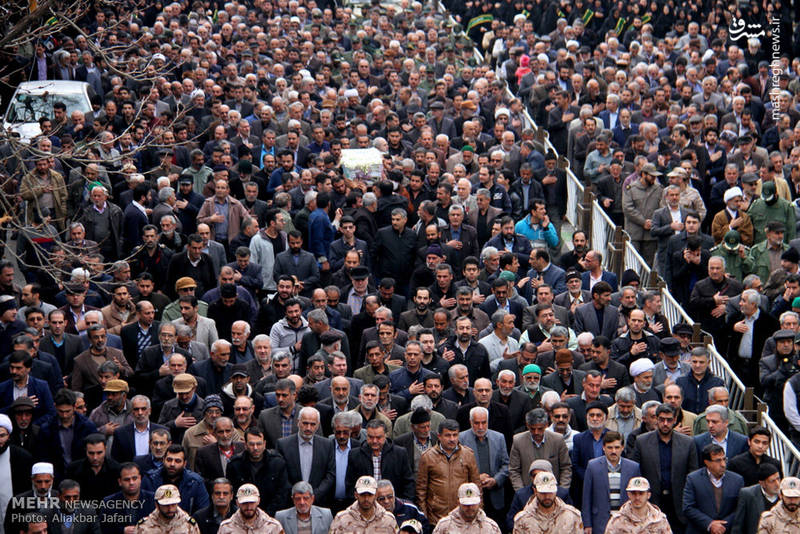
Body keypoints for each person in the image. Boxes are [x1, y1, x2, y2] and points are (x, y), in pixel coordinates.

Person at [632, 403, 699, 529]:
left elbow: (693, 474)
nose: (665, 423)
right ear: (656, 419)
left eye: (669, 420)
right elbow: (636, 473)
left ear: (675, 420)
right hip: (651, 503)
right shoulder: (641, 441)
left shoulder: (688, 443)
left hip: (678, 504)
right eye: (662, 419)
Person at [416, 418, 480, 525]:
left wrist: (477, 514)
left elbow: (477, 487)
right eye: (448, 435)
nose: (452, 439)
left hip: (463, 516)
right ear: (439, 436)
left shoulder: (468, 455)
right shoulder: (427, 457)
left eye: (455, 435)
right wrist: (424, 518)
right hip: (436, 518)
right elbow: (421, 491)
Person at [581, 430, 641, 534]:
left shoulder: (633, 467)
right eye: (610, 447)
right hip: (600, 522)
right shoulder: (593, 466)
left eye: (617, 447)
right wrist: (587, 524)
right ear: (603, 448)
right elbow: (587, 497)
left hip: (626, 522)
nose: (613, 451)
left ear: (622, 448)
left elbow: (638, 496)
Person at [682, 444, 744, 534]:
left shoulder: (737, 480)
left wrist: (723, 526)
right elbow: (688, 507)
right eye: (718, 460)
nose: (723, 464)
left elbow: (740, 508)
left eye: (724, 459)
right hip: (700, 530)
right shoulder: (693, 479)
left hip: (727, 530)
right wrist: (710, 524)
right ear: (707, 462)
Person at [511, 471, 584, 533]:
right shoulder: (522, 519)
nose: (547, 496)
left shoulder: (572, 516)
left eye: (550, 492)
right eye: (543, 492)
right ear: (535, 491)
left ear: (556, 490)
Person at [328, 475, 398, 533]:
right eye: (362, 494)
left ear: (376, 495)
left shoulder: (388, 520)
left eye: (370, 495)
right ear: (356, 495)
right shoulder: (341, 519)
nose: (366, 499)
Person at [604, 477, 673, 534]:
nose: (637, 497)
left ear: (648, 495)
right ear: (628, 495)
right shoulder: (617, 521)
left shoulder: (660, 520)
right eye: (633, 493)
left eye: (641, 493)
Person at [431, 481, 502, 533]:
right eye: (466, 504)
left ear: (479, 502)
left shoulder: (491, 528)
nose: (470, 507)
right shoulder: (444, 526)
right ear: (458, 502)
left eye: (473, 504)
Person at [730, 463, 781, 534]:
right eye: (772, 481)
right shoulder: (748, 494)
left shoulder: (786, 494)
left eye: (778, 479)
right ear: (762, 483)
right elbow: (738, 526)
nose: (777, 484)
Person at [217, 483, 284, 534]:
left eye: (252, 502)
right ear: (237, 503)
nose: (249, 507)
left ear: (258, 501)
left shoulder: (273, 527)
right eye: (244, 503)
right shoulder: (226, 528)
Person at [135, 484, 201, 534]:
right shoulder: (144, 526)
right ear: (157, 505)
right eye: (166, 505)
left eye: (173, 504)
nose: (170, 509)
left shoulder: (189, 525)